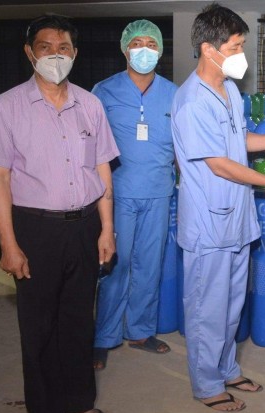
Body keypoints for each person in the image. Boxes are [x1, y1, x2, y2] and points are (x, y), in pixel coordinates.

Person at [0, 14, 118, 413]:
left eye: (63, 48)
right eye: (46, 47)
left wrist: (107, 229)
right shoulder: (7, 108)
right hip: (35, 228)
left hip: (86, 225)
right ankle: (46, 409)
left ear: (75, 53)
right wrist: (8, 244)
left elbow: (102, 169)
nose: (56, 55)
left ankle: (79, 403)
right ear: (29, 53)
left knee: (78, 320)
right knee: (38, 325)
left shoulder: (90, 105)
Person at [172, 3, 265, 413]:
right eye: (234, 46)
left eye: (241, 45)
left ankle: (227, 369)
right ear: (208, 49)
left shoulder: (229, 90)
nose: (240, 54)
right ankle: (206, 385)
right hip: (209, 225)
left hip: (235, 219)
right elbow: (220, 164)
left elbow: (239, 140)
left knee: (232, 305)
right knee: (207, 309)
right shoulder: (192, 101)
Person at [90, 19, 178, 370]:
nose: (144, 50)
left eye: (152, 44)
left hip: (159, 191)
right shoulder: (104, 91)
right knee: (115, 264)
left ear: (160, 51)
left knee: (149, 264)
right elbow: (91, 146)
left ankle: (140, 331)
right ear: (125, 49)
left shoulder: (174, 94)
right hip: (117, 192)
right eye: (137, 43)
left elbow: (183, 146)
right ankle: (104, 336)